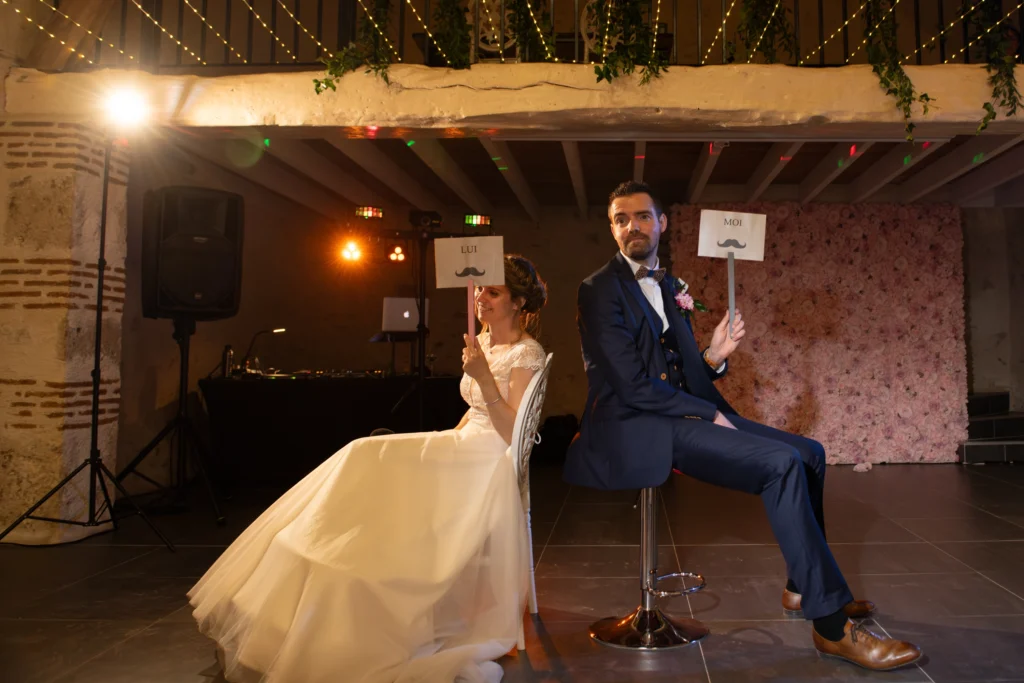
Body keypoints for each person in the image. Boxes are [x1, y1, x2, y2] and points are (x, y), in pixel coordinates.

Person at [563, 181, 922, 671]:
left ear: (661, 223)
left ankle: (802, 587)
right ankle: (832, 627)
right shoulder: (598, 289)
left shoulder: (668, 285)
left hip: (681, 408)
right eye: (621, 219)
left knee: (810, 452)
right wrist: (706, 413)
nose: (633, 227)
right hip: (637, 424)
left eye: (643, 216)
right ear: (611, 228)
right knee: (779, 464)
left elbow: (679, 366)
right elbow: (631, 385)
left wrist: (713, 356)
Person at [188, 255, 549, 683]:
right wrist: (438, 442)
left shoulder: (526, 353)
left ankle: (367, 561)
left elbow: (514, 432)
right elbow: (473, 416)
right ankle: (340, 542)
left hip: (490, 462)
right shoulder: (485, 342)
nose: (480, 299)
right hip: (466, 446)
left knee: (366, 451)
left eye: (494, 292)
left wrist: (485, 380)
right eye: (480, 290)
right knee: (366, 449)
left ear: (518, 302)